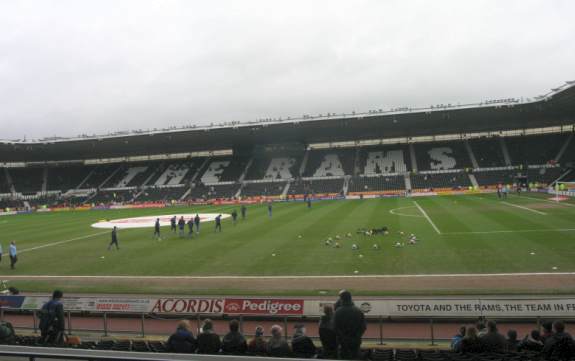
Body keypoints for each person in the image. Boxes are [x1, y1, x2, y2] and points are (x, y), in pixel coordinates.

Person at [333, 290, 366, 360]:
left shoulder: (337, 312)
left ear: (341, 299)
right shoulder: (358, 311)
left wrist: (343, 338)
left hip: (343, 343)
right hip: (355, 342)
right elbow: (363, 327)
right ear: (350, 298)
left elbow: (335, 328)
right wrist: (356, 337)